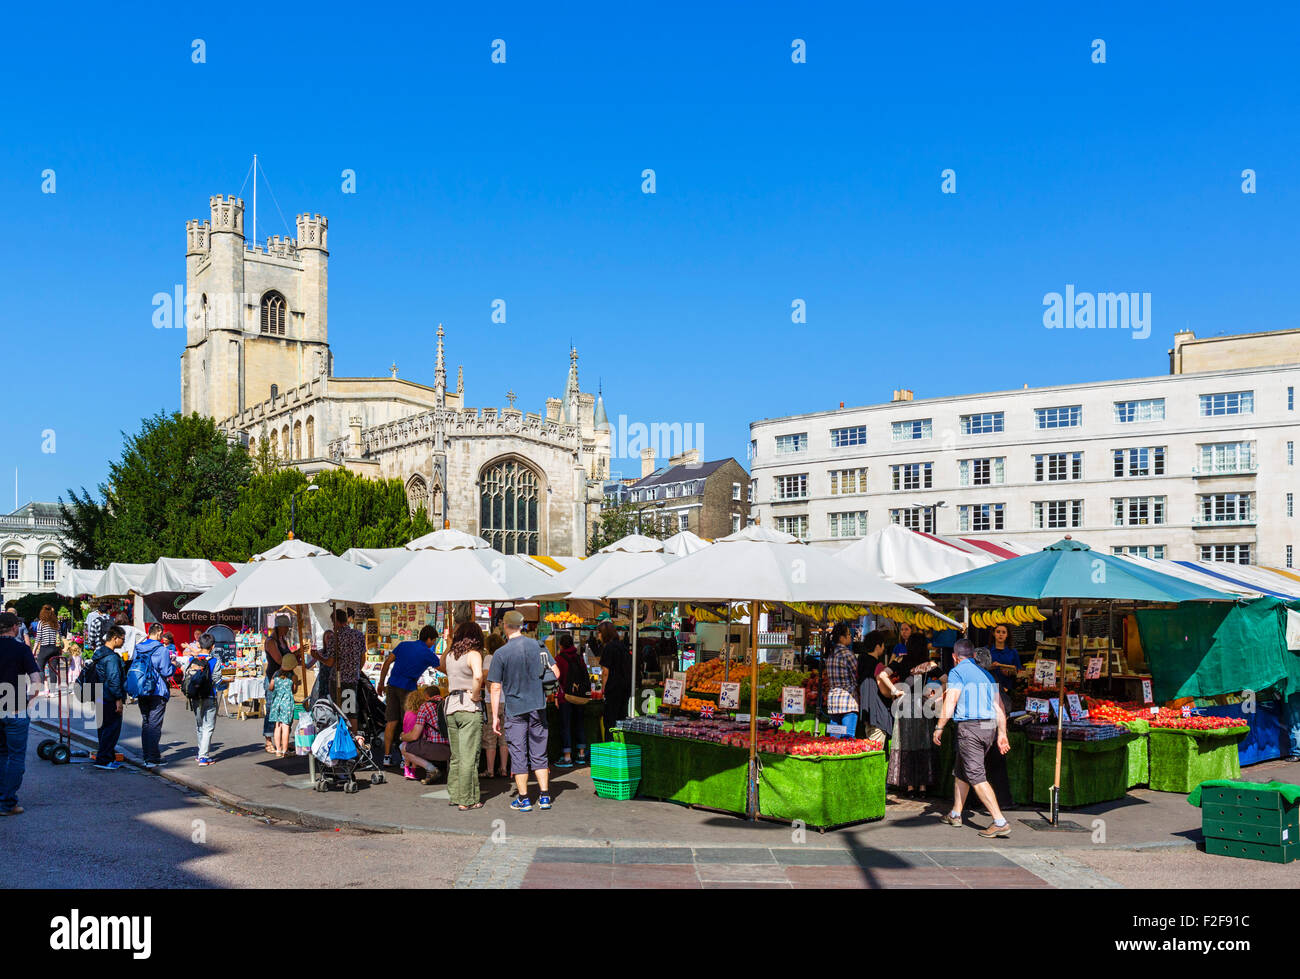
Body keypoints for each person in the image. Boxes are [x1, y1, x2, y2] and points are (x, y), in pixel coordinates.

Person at [933, 638, 1012, 838]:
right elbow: (999, 707)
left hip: (970, 728)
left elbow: (951, 701)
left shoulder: (957, 671)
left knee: (976, 775)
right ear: (973, 655)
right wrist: (1002, 733)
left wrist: (939, 726)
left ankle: (999, 821)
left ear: (954, 657)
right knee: (962, 769)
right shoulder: (986, 674)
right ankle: (956, 813)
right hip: (989, 728)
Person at [488, 609, 559, 812]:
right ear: (522, 625)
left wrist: (495, 716)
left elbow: (495, 687)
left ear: (505, 626)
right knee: (539, 752)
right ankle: (545, 796)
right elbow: (556, 672)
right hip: (538, 706)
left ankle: (524, 799)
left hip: (515, 709)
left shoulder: (501, 653)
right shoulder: (538, 646)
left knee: (518, 753)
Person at [882, 631, 939, 796]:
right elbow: (945, 679)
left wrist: (894, 690)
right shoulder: (929, 664)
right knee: (923, 744)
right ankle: (922, 787)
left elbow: (882, 675)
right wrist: (934, 693)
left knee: (906, 744)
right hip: (923, 705)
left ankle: (909, 787)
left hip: (904, 704)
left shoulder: (900, 660)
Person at [377, 625, 441, 766]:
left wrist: (381, 683)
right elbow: (443, 668)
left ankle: (386, 757)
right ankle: (404, 759)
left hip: (392, 685)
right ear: (429, 639)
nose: (434, 643)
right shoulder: (427, 653)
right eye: (434, 640)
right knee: (408, 722)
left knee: (391, 722)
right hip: (408, 688)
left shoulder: (403, 645)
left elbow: (387, 663)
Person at [0, 611, 41, 815]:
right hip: (15, 709)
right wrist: (25, 701)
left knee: (1, 754)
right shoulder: (21, 649)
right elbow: (36, 683)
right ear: (15, 628)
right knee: (15, 757)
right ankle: (7, 803)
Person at [443, 621, 485, 810]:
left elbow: (441, 665)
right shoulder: (474, 654)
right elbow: (477, 677)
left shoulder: (451, 655)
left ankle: (456, 794)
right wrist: (475, 695)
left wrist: (448, 643)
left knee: (457, 756)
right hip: (468, 706)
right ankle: (466, 799)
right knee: (470, 756)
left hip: (451, 706)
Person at [133, 623, 176, 769]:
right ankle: (153, 758)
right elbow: (166, 671)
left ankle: (148, 756)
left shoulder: (138, 648)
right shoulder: (161, 650)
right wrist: (174, 664)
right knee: (155, 724)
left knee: (146, 722)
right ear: (159, 633)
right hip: (157, 690)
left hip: (141, 689)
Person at [317, 608, 365, 730]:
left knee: (338, 711)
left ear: (337, 621)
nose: (333, 625)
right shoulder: (359, 635)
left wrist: (316, 656)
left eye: (333, 623)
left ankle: (340, 740)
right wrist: (356, 670)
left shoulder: (335, 638)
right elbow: (363, 658)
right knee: (351, 711)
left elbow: (330, 662)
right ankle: (353, 741)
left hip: (338, 680)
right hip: (352, 680)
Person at [93, 626, 128, 770]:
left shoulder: (99, 653)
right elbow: (114, 679)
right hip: (109, 697)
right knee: (111, 729)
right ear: (115, 638)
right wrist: (118, 699)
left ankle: (106, 757)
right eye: (122, 639)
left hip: (99, 695)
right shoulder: (112, 657)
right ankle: (105, 759)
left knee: (103, 729)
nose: (123, 642)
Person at [400, 685, 450, 784]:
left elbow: (414, 735)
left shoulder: (425, 706)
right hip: (454, 749)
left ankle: (431, 769)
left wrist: (402, 737)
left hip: (436, 749)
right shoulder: (449, 703)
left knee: (403, 747)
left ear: (426, 696)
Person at [554, 631, 591, 767]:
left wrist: (557, 696)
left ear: (561, 645)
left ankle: (567, 756)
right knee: (579, 724)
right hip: (579, 697)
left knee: (566, 726)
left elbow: (557, 679)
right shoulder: (579, 658)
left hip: (565, 697)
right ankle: (581, 754)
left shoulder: (559, 659)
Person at [189, 633, 225, 765]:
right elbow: (217, 679)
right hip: (210, 695)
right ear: (213, 646)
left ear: (199, 644)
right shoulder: (215, 660)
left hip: (195, 696)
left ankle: (200, 754)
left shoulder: (192, 660)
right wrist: (227, 682)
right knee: (208, 726)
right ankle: (203, 757)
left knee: (200, 725)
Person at [262, 615, 293, 751]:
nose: (287, 630)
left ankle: (282, 741)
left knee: (285, 709)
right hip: (273, 678)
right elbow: (280, 660)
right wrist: (292, 658)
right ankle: (269, 741)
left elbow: (287, 659)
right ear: (280, 627)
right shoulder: (271, 641)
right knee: (271, 709)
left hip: (284, 679)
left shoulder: (282, 640)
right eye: (286, 627)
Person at [856, 630, 893, 744]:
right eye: (882, 645)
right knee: (875, 750)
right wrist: (893, 693)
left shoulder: (860, 661)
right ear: (878, 646)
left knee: (869, 741)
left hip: (866, 711)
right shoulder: (878, 665)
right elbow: (883, 690)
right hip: (878, 713)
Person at [824, 623, 860, 737]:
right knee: (848, 739)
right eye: (849, 634)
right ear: (841, 638)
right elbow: (857, 675)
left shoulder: (830, 654)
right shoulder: (847, 654)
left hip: (833, 702)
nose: (851, 637)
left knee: (834, 740)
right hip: (848, 702)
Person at [596, 620, 631, 735]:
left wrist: (603, 689)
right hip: (625, 688)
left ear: (605, 634)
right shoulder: (623, 647)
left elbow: (605, 671)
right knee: (621, 720)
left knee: (610, 722)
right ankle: (620, 745)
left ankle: (610, 748)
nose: (598, 636)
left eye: (599, 633)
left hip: (613, 689)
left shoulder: (608, 648)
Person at [481, 633, 508, 776]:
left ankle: (490, 770)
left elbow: (486, 676)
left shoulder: (489, 658)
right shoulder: (506, 657)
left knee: (490, 735)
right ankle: (503, 768)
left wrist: (487, 686)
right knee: (504, 736)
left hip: (491, 701)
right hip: (506, 700)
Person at [266, 662, 297, 758]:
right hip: (287, 703)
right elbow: (294, 690)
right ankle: (285, 750)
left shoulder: (276, 674)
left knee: (277, 726)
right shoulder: (293, 676)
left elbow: (270, 687)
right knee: (285, 726)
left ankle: (278, 750)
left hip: (276, 702)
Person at [987, 624, 1021, 700]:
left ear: (1007, 635)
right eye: (998, 632)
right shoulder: (987, 651)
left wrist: (1010, 673)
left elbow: (1018, 670)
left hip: (1008, 689)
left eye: (1003, 632)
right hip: (990, 689)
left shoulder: (1013, 652)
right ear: (993, 633)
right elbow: (980, 670)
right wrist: (990, 667)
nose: (1000, 635)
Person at [34, 605, 61, 697]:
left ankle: (43, 689)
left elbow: (38, 638)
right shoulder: (56, 623)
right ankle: (53, 692)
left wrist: (33, 650)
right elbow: (59, 637)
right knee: (53, 669)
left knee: (40, 668)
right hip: (54, 648)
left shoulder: (41, 623)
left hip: (44, 648)